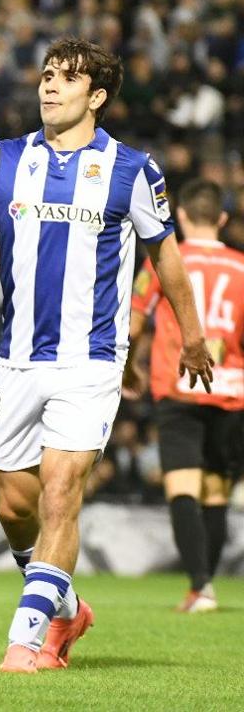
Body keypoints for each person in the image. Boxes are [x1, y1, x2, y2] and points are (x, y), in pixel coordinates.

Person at [0, 37, 214, 673]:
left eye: (67, 78)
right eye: (47, 74)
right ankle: (67, 608)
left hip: (92, 359)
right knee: (13, 506)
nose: (50, 86)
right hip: (18, 359)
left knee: (61, 489)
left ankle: (26, 640)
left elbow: (166, 257)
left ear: (96, 97)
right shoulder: (6, 159)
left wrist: (189, 333)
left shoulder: (132, 170)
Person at [128, 178, 244, 613]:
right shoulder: (241, 268)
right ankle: (206, 585)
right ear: (223, 218)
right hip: (232, 390)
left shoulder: (163, 259)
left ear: (179, 216)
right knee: (215, 491)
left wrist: (130, 365)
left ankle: (200, 588)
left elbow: (136, 319)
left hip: (178, 387)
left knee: (182, 488)